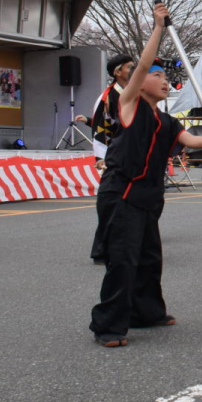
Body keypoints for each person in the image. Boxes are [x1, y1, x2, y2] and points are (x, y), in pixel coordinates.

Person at [90, 2, 202, 347]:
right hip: (121, 193)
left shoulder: (167, 120)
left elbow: (189, 141)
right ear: (140, 83)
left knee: (150, 259)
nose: (165, 81)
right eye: (158, 76)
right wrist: (158, 28)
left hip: (149, 196)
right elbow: (140, 67)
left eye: (167, 78)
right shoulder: (129, 104)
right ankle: (108, 326)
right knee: (123, 260)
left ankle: (146, 313)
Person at [76, 52, 134, 265]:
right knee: (111, 204)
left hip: (133, 155)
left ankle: (132, 245)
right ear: (117, 72)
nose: (133, 70)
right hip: (114, 157)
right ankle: (101, 250)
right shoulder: (108, 97)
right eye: (129, 67)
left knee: (134, 203)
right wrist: (102, 159)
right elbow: (102, 129)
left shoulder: (134, 93)